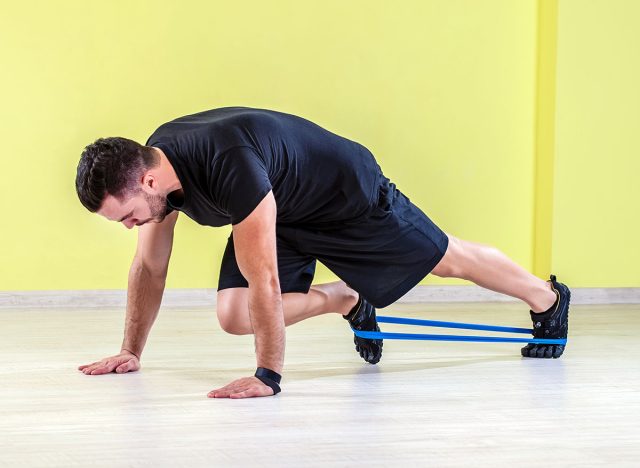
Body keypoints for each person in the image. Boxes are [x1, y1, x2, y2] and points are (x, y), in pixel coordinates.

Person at [75, 106, 570, 399]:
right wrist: (130, 351)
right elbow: (149, 265)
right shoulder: (157, 165)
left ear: (148, 180)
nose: (129, 226)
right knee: (232, 314)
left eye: (126, 215)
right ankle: (346, 299)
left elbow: (264, 278)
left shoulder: (228, 164)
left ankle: (546, 298)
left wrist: (267, 376)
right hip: (281, 207)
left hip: (343, 194)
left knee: (446, 259)